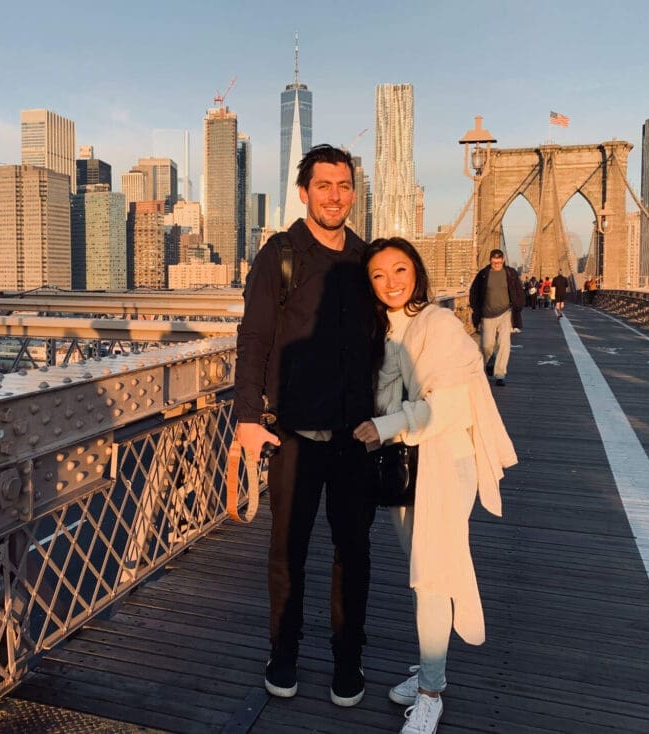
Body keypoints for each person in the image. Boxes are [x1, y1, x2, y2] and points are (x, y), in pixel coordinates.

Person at [353, 238, 517, 734]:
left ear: (417, 272)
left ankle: (430, 694)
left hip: (445, 461)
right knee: (426, 570)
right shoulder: (384, 329)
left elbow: (448, 406)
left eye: (399, 270)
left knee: (431, 575)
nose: (391, 283)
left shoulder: (440, 325)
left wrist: (382, 427)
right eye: (378, 275)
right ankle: (430, 668)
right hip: (406, 468)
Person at [234, 144, 376, 707]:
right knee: (287, 552)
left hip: (356, 439)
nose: (335, 196)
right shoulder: (280, 255)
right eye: (324, 186)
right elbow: (254, 339)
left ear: (352, 192)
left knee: (353, 552)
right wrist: (246, 416)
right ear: (304, 192)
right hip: (294, 436)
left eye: (343, 186)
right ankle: (284, 653)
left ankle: (348, 661)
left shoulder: (367, 258)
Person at [469, 249, 525, 387]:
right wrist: (476, 308)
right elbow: (474, 291)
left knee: (504, 344)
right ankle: (491, 360)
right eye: (494, 263)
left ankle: (500, 374)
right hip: (487, 315)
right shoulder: (483, 274)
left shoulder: (510, 273)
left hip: (506, 312)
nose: (497, 265)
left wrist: (519, 304)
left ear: (503, 261)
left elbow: (518, 289)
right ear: (490, 261)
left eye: (499, 263)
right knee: (487, 345)